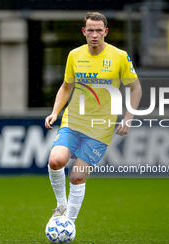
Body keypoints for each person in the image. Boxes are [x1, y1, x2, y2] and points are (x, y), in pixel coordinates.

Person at [44, 12, 142, 223]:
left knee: (78, 176)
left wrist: (128, 117)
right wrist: (55, 112)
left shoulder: (119, 57)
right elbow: (66, 87)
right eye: (91, 30)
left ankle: (68, 223)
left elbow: (136, 89)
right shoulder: (74, 55)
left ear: (106, 32)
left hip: (100, 128)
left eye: (99, 30)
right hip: (73, 121)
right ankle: (61, 206)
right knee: (55, 161)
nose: (95, 34)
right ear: (84, 32)